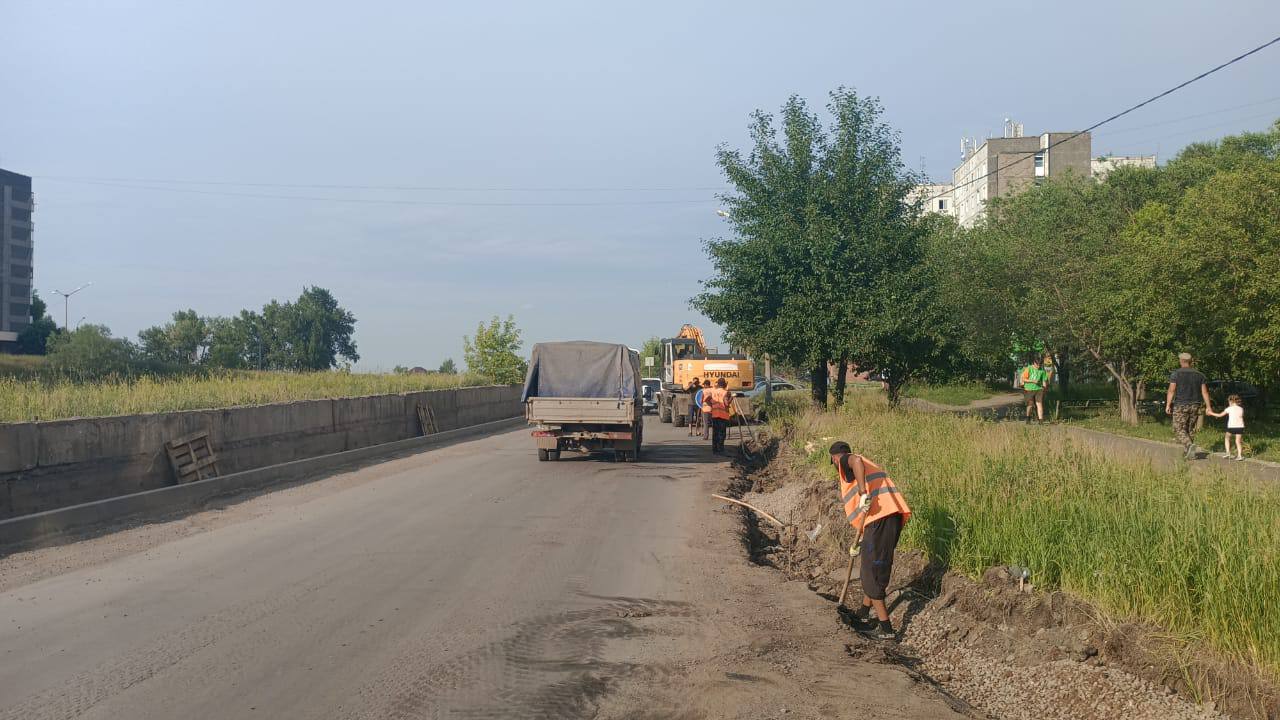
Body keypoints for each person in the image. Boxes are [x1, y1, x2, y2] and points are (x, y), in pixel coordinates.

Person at [829, 441, 911, 641]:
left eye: (833, 462)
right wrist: (861, 542)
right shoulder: (866, 465)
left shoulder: (847, 460)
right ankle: (864, 613)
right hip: (884, 520)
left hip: (881, 520)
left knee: (871, 572)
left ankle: (886, 629)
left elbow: (855, 460)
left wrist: (863, 492)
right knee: (873, 565)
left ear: (834, 458)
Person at [1166, 352, 1214, 460]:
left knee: (1178, 428)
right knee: (1190, 429)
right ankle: (1188, 453)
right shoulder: (1200, 375)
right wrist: (1208, 407)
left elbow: (1171, 390)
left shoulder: (1176, 374)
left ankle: (1188, 445)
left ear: (1181, 361)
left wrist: (1168, 404)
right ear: (1191, 361)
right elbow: (1205, 392)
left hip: (1181, 405)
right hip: (1195, 405)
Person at [1208, 394, 1246, 461]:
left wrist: (1211, 413)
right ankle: (1240, 456)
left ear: (1231, 401)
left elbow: (1220, 415)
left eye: (1228, 402)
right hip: (1240, 427)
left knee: (1227, 438)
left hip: (1231, 427)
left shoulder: (1229, 409)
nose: (1228, 403)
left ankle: (1228, 453)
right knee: (1238, 441)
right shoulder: (1241, 409)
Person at [1018, 356, 1050, 424]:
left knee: (1039, 404)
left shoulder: (1042, 370)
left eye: (1040, 364)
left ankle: (1041, 421)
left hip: (1039, 389)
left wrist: (1045, 388)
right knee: (1030, 404)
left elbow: (1044, 381)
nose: (1038, 366)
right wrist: (1033, 381)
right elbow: (1023, 379)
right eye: (1037, 364)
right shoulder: (1029, 368)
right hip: (1029, 389)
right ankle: (1028, 418)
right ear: (1034, 363)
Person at [706, 378, 733, 453]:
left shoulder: (713, 391)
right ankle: (721, 449)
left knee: (715, 433)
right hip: (722, 415)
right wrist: (732, 397)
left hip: (714, 415)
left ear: (718, 384)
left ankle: (715, 450)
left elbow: (707, 400)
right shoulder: (725, 392)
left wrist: (711, 406)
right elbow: (727, 403)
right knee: (721, 433)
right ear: (724, 384)